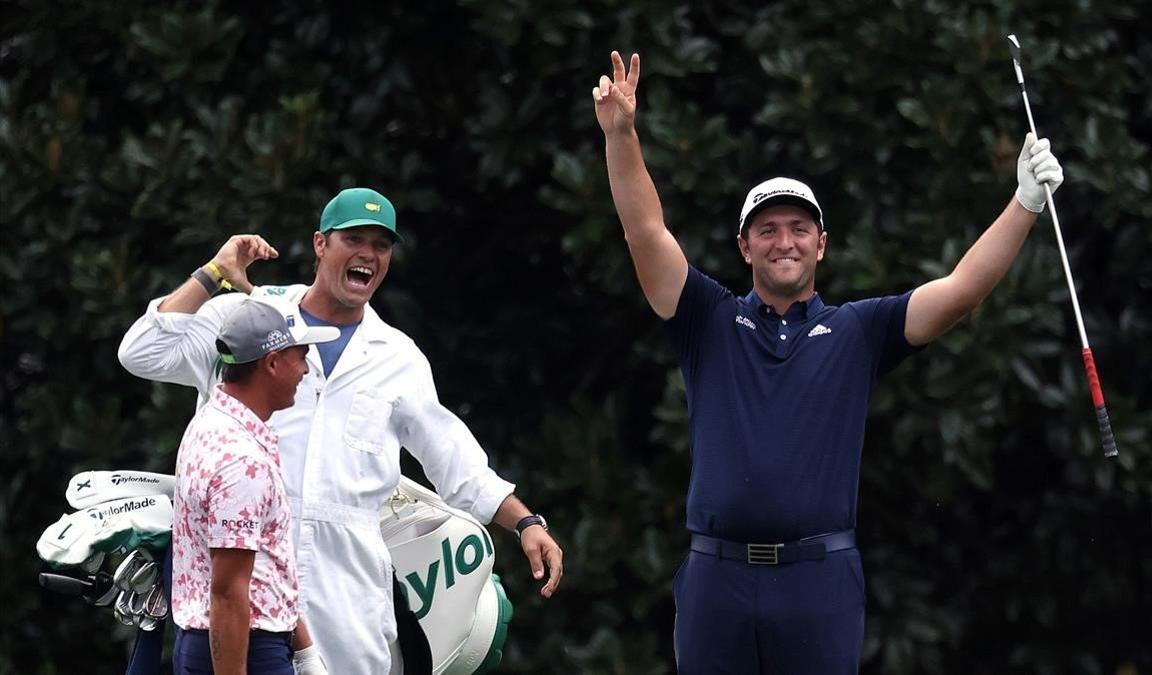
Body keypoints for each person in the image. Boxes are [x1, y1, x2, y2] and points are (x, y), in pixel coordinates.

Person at [591, 51, 1063, 673]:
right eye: (767, 229)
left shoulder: (858, 329)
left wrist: (1025, 203)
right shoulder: (706, 318)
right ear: (744, 246)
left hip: (819, 581)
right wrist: (621, 135)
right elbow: (644, 231)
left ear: (822, 243)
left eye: (798, 228)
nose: (783, 241)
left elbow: (960, 291)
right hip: (717, 577)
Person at [119, 187, 564, 675]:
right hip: (242, 590)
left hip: (348, 601)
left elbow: (455, 461)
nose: (368, 255)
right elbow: (142, 352)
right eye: (354, 238)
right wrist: (213, 275)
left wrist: (526, 523)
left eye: (382, 245)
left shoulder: (397, 356)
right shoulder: (255, 316)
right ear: (319, 244)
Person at [172, 298, 338, 674]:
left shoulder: (212, 420)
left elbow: (261, 565)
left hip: (217, 643)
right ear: (273, 363)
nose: (305, 369)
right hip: (244, 650)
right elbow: (229, 593)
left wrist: (305, 651)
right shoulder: (241, 461)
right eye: (301, 356)